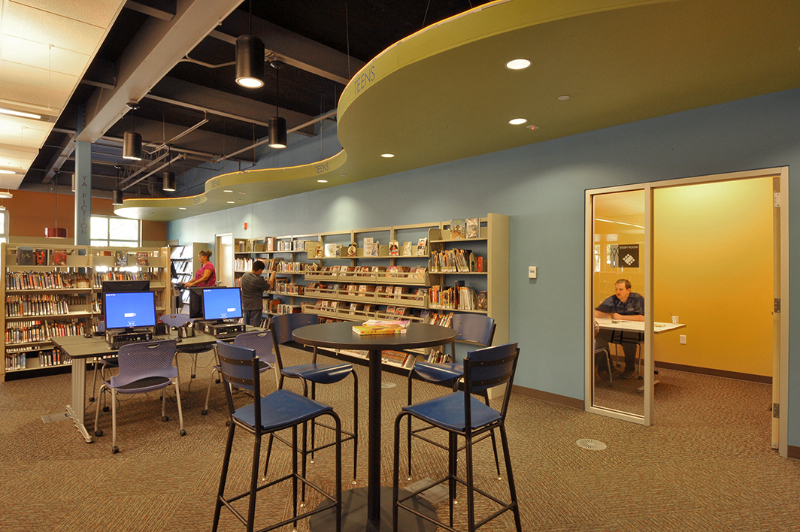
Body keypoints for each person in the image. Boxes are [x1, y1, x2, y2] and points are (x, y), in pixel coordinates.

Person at [594, 278, 644, 379]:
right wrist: (611, 313)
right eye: (616, 289)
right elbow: (596, 312)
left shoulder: (637, 299)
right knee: (599, 335)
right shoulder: (612, 299)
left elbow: (643, 318)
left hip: (634, 332)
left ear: (628, 290)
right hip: (617, 331)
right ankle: (607, 367)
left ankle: (629, 369)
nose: (618, 292)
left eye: (621, 289)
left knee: (628, 340)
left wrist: (621, 317)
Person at [240, 260, 275, 326]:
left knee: (246, 326)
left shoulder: (244, 276)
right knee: (254, 327)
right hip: (255, 306)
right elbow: (270, 287)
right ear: (260, 270)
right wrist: (273, 274)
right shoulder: (258, 280)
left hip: (245, 305)